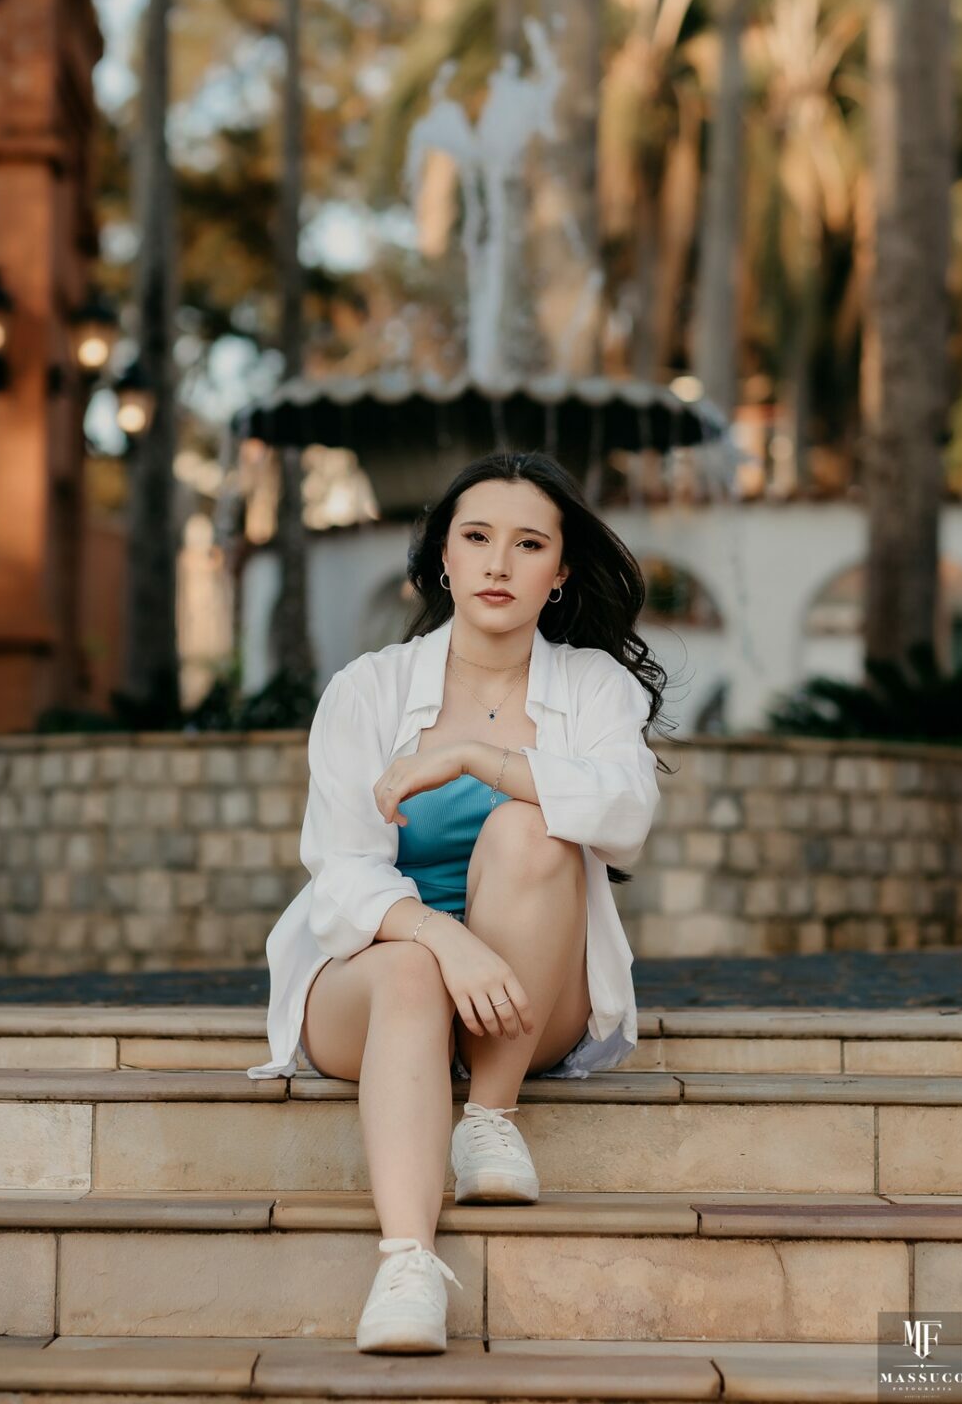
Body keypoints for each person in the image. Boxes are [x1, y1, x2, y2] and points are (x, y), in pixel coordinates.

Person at [246, 449, 670, 1354]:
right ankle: (406, 1265)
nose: (497, 563)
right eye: (475, 537)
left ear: (559, 572)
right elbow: (342, 869)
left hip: (525, 1000)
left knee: (530, 828)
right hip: (375, 987)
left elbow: (626, 815)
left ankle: (488, 1118)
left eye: (528, 545)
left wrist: (481, 759)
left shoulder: (593, 686)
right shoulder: (368, 688)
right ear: (443, 555)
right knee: (409, 971)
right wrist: (446, 942)